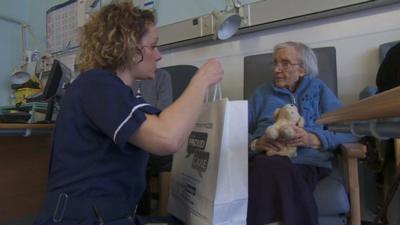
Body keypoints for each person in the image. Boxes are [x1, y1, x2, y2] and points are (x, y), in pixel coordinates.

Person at [34, 2, 223, 225]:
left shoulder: (114, 91)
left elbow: (163, 125)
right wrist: (202, 79)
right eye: (153, 46)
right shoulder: (96, 85)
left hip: (105, 215)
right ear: (131, 50)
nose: (159, 55)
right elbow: (168, 138)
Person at [247, 41, 354, 225]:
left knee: (269, 171)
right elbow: (234, 133)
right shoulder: (261, 94)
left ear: (302, 69)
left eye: (285, 63)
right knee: (267, 166)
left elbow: (351, 129)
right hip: (266, 158)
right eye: (275, 63)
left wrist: (315, 139)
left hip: (307, 162)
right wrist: (256, 143)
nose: (276, 69)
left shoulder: (319, 90)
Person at [132, 69, 173, 215]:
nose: (157, 55)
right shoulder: (122, 79)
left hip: (152, 134)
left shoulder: (162, 77)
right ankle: (141, 213)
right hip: (132, 136)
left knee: (165, 153)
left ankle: (163, 215)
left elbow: (162, 112)